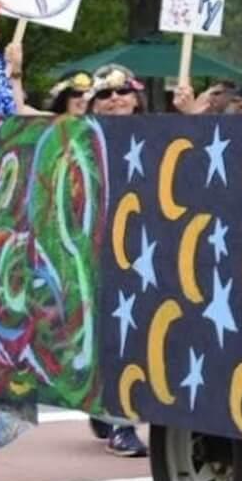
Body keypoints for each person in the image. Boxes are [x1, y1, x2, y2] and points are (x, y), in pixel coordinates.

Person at [83, 64, 147, 455]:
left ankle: (115, 416)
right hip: (94, 250)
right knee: (106, 334)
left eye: (123, 90)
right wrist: (17, 77)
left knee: (134, 335)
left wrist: (191, 113)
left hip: (145, 251)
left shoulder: (161, 133)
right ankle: (113, 416)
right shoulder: (80, 137)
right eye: (104, 94)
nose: (115, 99)